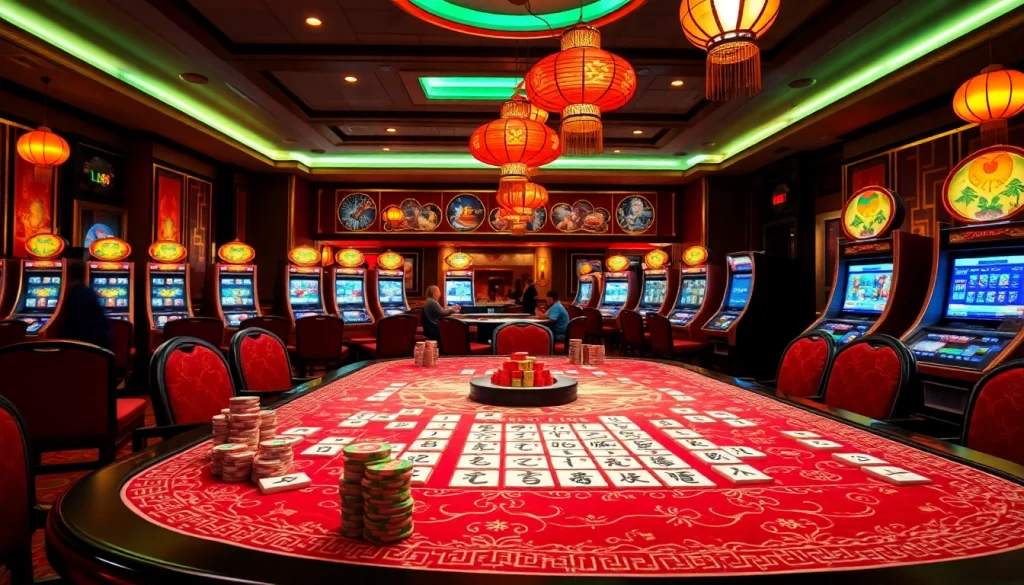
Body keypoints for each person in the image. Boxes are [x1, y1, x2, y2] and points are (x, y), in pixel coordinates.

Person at [58, 260, 112, 351]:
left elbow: (71, 330)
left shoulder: (77, 294)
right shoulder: (85, 291)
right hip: (98, 348)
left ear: (67, 276)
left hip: (87, 351)